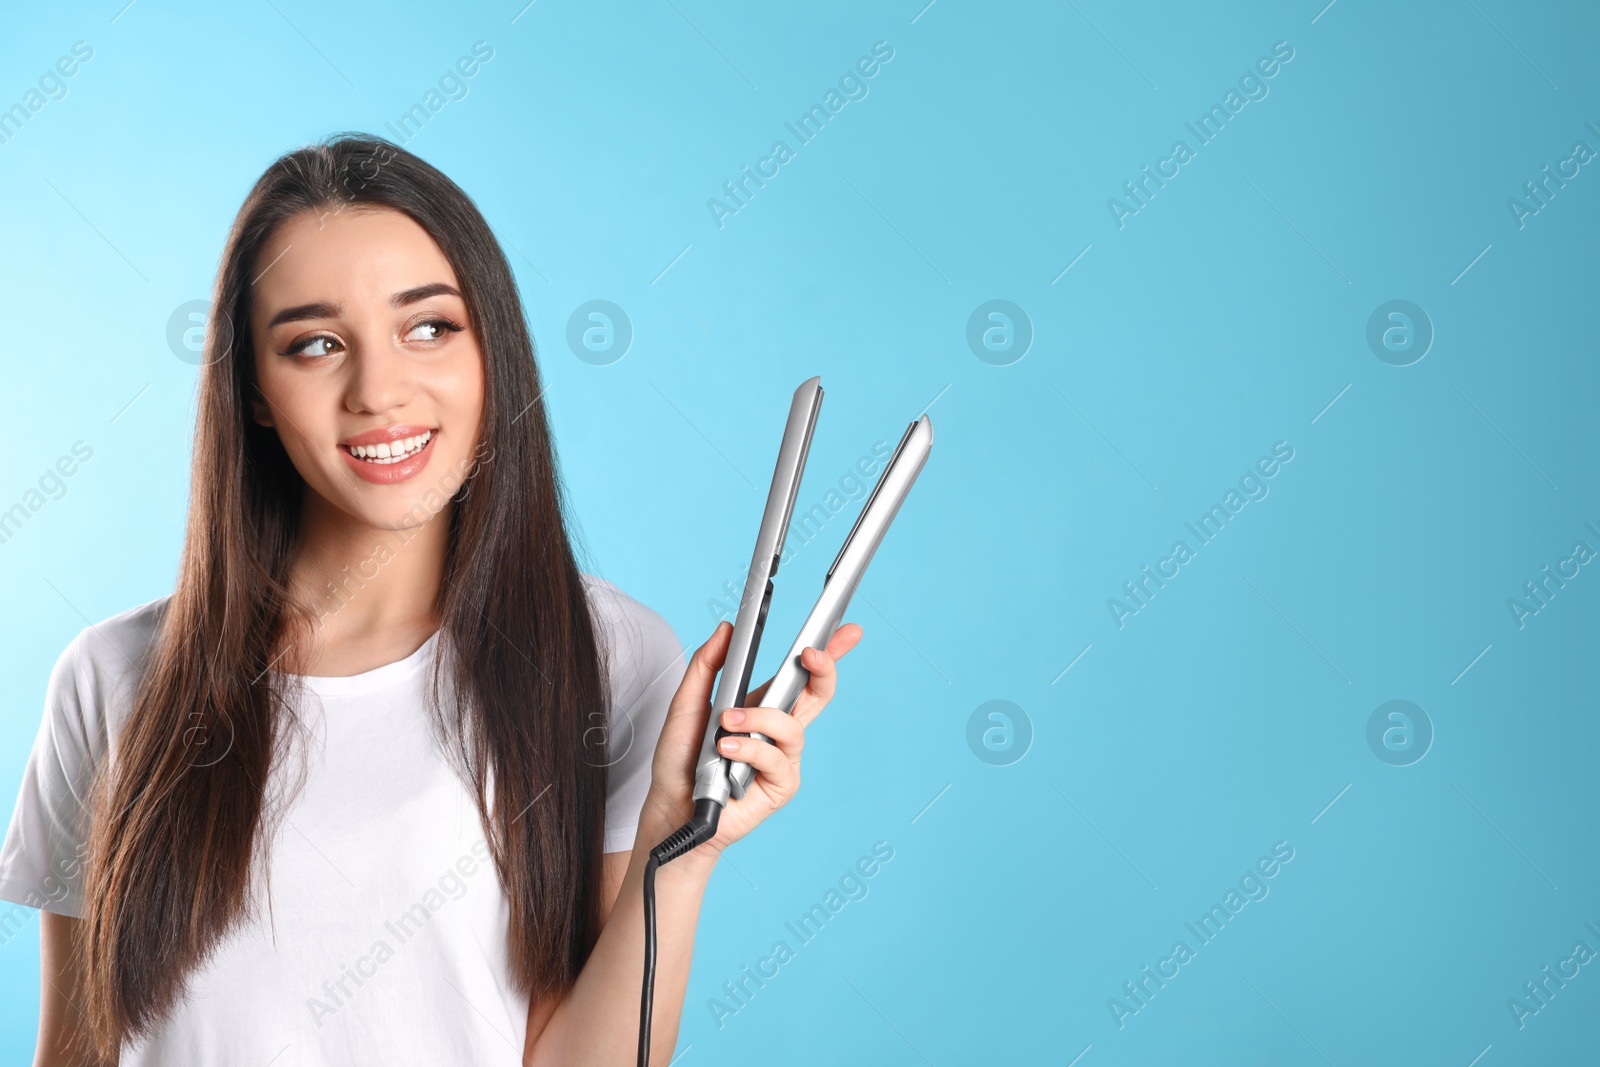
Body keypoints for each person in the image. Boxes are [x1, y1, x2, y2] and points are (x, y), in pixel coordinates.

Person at [0, 133, 861, 1066]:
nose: (380, 391)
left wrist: (680, 841)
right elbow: (76, 1051)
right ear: (253, 389)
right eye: (316, 344)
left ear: (493, 350)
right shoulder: (114, 676)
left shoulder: (608, 658)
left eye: (430, 328)